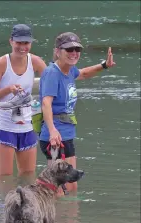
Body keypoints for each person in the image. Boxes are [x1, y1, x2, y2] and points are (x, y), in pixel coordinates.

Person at [39, 32, 116, 194]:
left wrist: (104, 65)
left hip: (66, 133)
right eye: (69, 49)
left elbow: (84, 73)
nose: (74, 53)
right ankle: (56, 217)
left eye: (77, 49)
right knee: (58, 187)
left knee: (71, 185)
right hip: (55, 136)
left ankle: (68, 217)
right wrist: (52, 131)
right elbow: (46, 103)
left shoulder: (69, 70)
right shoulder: (53, 72)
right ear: (58, 51)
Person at [0, 24, 46, 178]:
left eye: (26, 43)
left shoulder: (36, 61)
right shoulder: (0, 63)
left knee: (28, 176)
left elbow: (52, 81)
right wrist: (8, 89)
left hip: (28, 125)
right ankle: (3, 202)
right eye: (19, 42)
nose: (23, 47)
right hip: (5, 126)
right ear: (11, 41)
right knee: (4, 177)